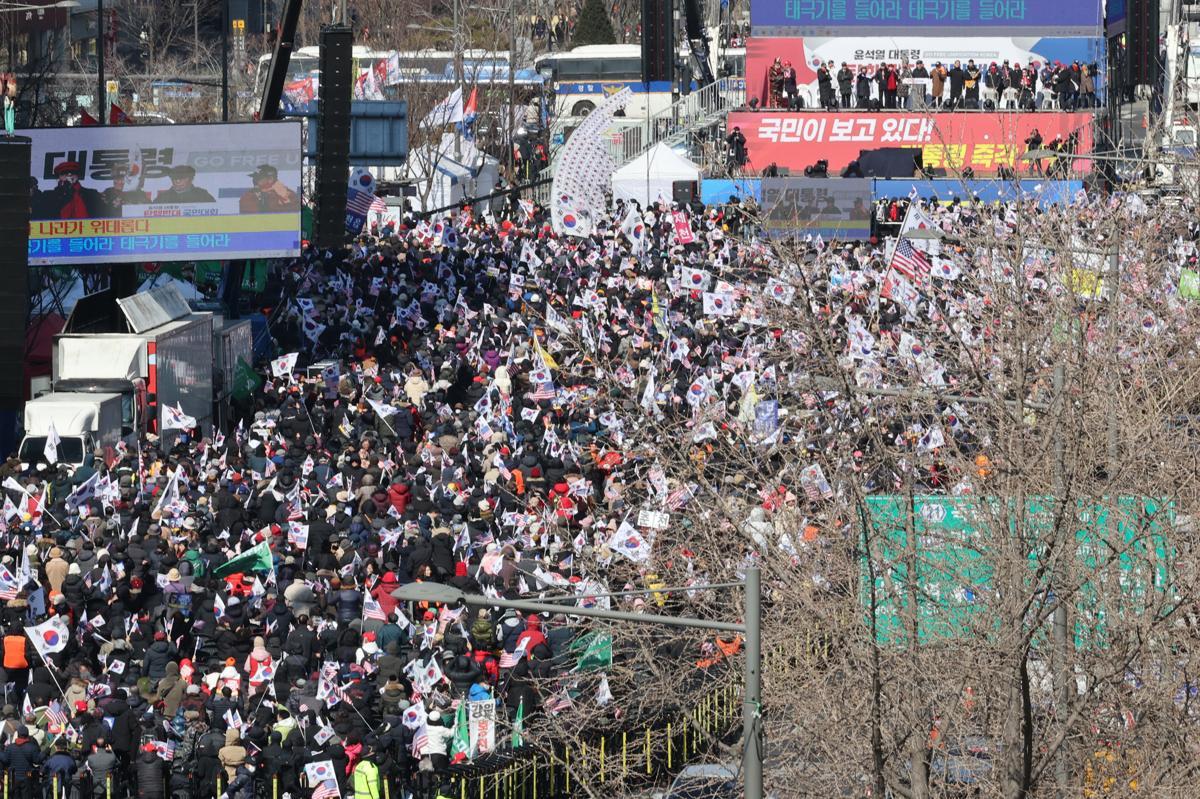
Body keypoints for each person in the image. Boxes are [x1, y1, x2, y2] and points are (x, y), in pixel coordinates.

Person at [33, 161, 107, 220]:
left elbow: (103, 215)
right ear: (59, 177)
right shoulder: (48, 196)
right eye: (64, 174)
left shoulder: (91, 194)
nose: (69, 176)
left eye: (72, 173)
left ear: (77, 176)